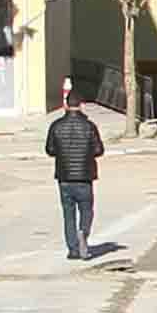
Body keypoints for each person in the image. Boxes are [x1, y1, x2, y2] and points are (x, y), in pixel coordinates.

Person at [44, 81, 105, 260]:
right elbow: (99, 150)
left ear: (65, 105)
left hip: (64, 178)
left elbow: (50, 150)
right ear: (82, 105)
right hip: (84, 177)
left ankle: (72, 249)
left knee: (68, 213)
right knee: (87, 210)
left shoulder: (56, 126)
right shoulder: (89, 126)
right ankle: (83, 233)